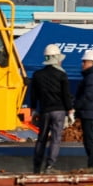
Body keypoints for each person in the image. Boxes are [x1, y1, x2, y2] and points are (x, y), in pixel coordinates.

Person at [31, 44, 73, 173]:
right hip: (59, 111)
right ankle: (49, 166)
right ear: (56, 58)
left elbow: (34, 95)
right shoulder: (61, 75)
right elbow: (66, 95)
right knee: (55, 139)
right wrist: (70, 111)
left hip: (45, 111)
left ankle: (37, 166)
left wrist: (33, 110)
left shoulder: (37, 75)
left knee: (41, 139)